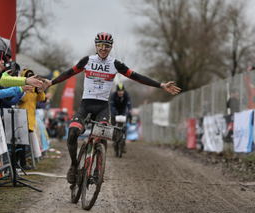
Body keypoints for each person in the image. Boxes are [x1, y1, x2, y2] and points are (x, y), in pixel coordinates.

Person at [41, 32, 181, 184]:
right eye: (101, 45)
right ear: (96, 45)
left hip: (102, 107)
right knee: (73, 132)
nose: (103, 49)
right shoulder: (87, 60)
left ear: (111, 48)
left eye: (107, 46)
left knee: (102, 134)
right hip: (85, 105)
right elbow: (69, 72)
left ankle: (97, 170)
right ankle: (74, 166)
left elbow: (137, 76)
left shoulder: (115, 64)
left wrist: (161, 85)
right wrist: (52, 82)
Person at [110, 83, 132, 153]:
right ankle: (114, 140)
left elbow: (129, 105)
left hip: (123, 111)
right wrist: (113, 113)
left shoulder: (126, 95)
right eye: (119, 91)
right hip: (115, 110)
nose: (120, 92)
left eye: (122, 91)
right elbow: (111, 105)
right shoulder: (113, 95)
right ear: (117, 91)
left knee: (124, 127)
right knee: (113, 124)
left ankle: (123, 144)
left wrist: (129, 113)